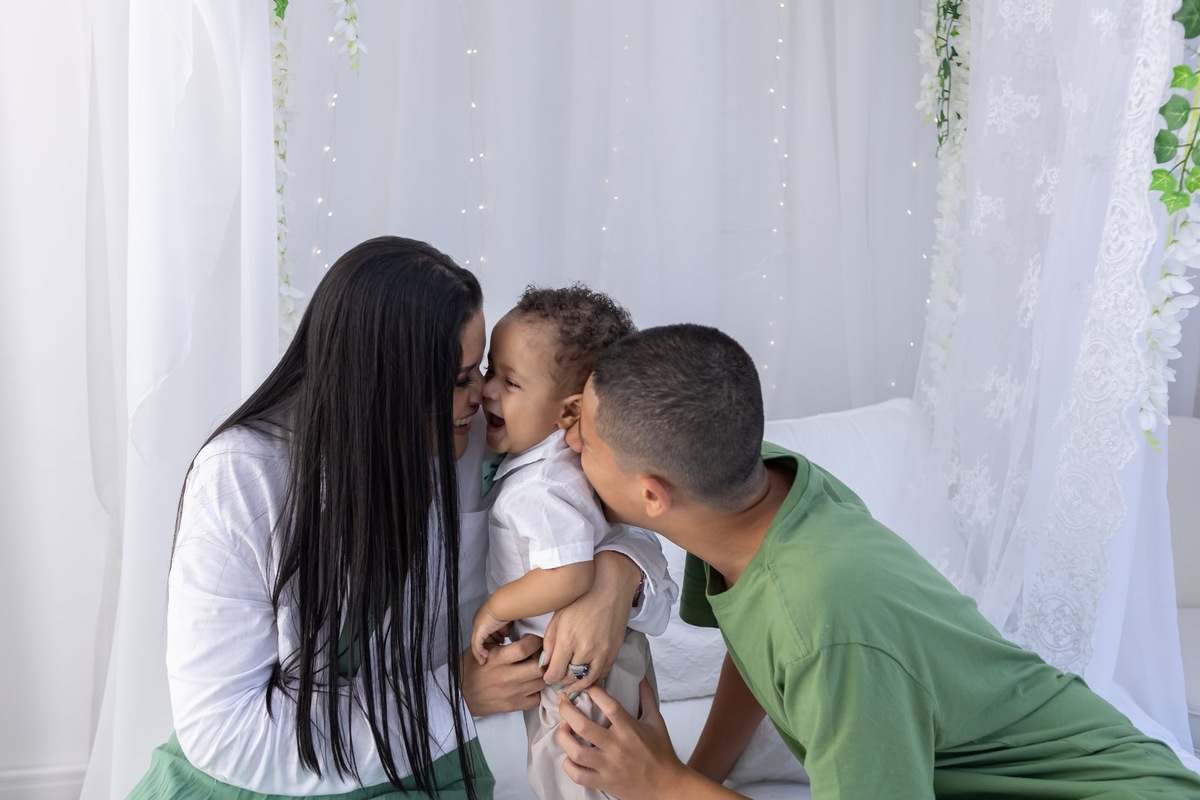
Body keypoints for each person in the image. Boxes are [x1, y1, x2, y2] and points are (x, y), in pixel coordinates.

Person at [554, 323, 1200, 799]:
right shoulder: (762, 484)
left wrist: (665, 786)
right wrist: (695, 776)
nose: (569, 439)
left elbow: (805, 638)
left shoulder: (827, 623)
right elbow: (757, 655)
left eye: (587, 436)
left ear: (653, 495)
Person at [127, 236, 670, 799]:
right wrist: (455, 693)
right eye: (460, 380)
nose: (482, 395)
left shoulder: (492, 440)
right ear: (382, 385)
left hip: (423, 769)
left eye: (483, 371)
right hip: (247, 777)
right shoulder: (243, 475)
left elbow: (645, 509)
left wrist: (613, 580)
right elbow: (225, 731)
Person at [469, 285, 675, 800]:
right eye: (489, 371)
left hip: (582, 670)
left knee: (579, 778)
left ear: (568, 412)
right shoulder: (556, 466)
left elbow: (570, 574)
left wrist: (497, 607)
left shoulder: (540, 486)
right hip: (577, 666)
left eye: (509, 381)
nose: (487, 391)